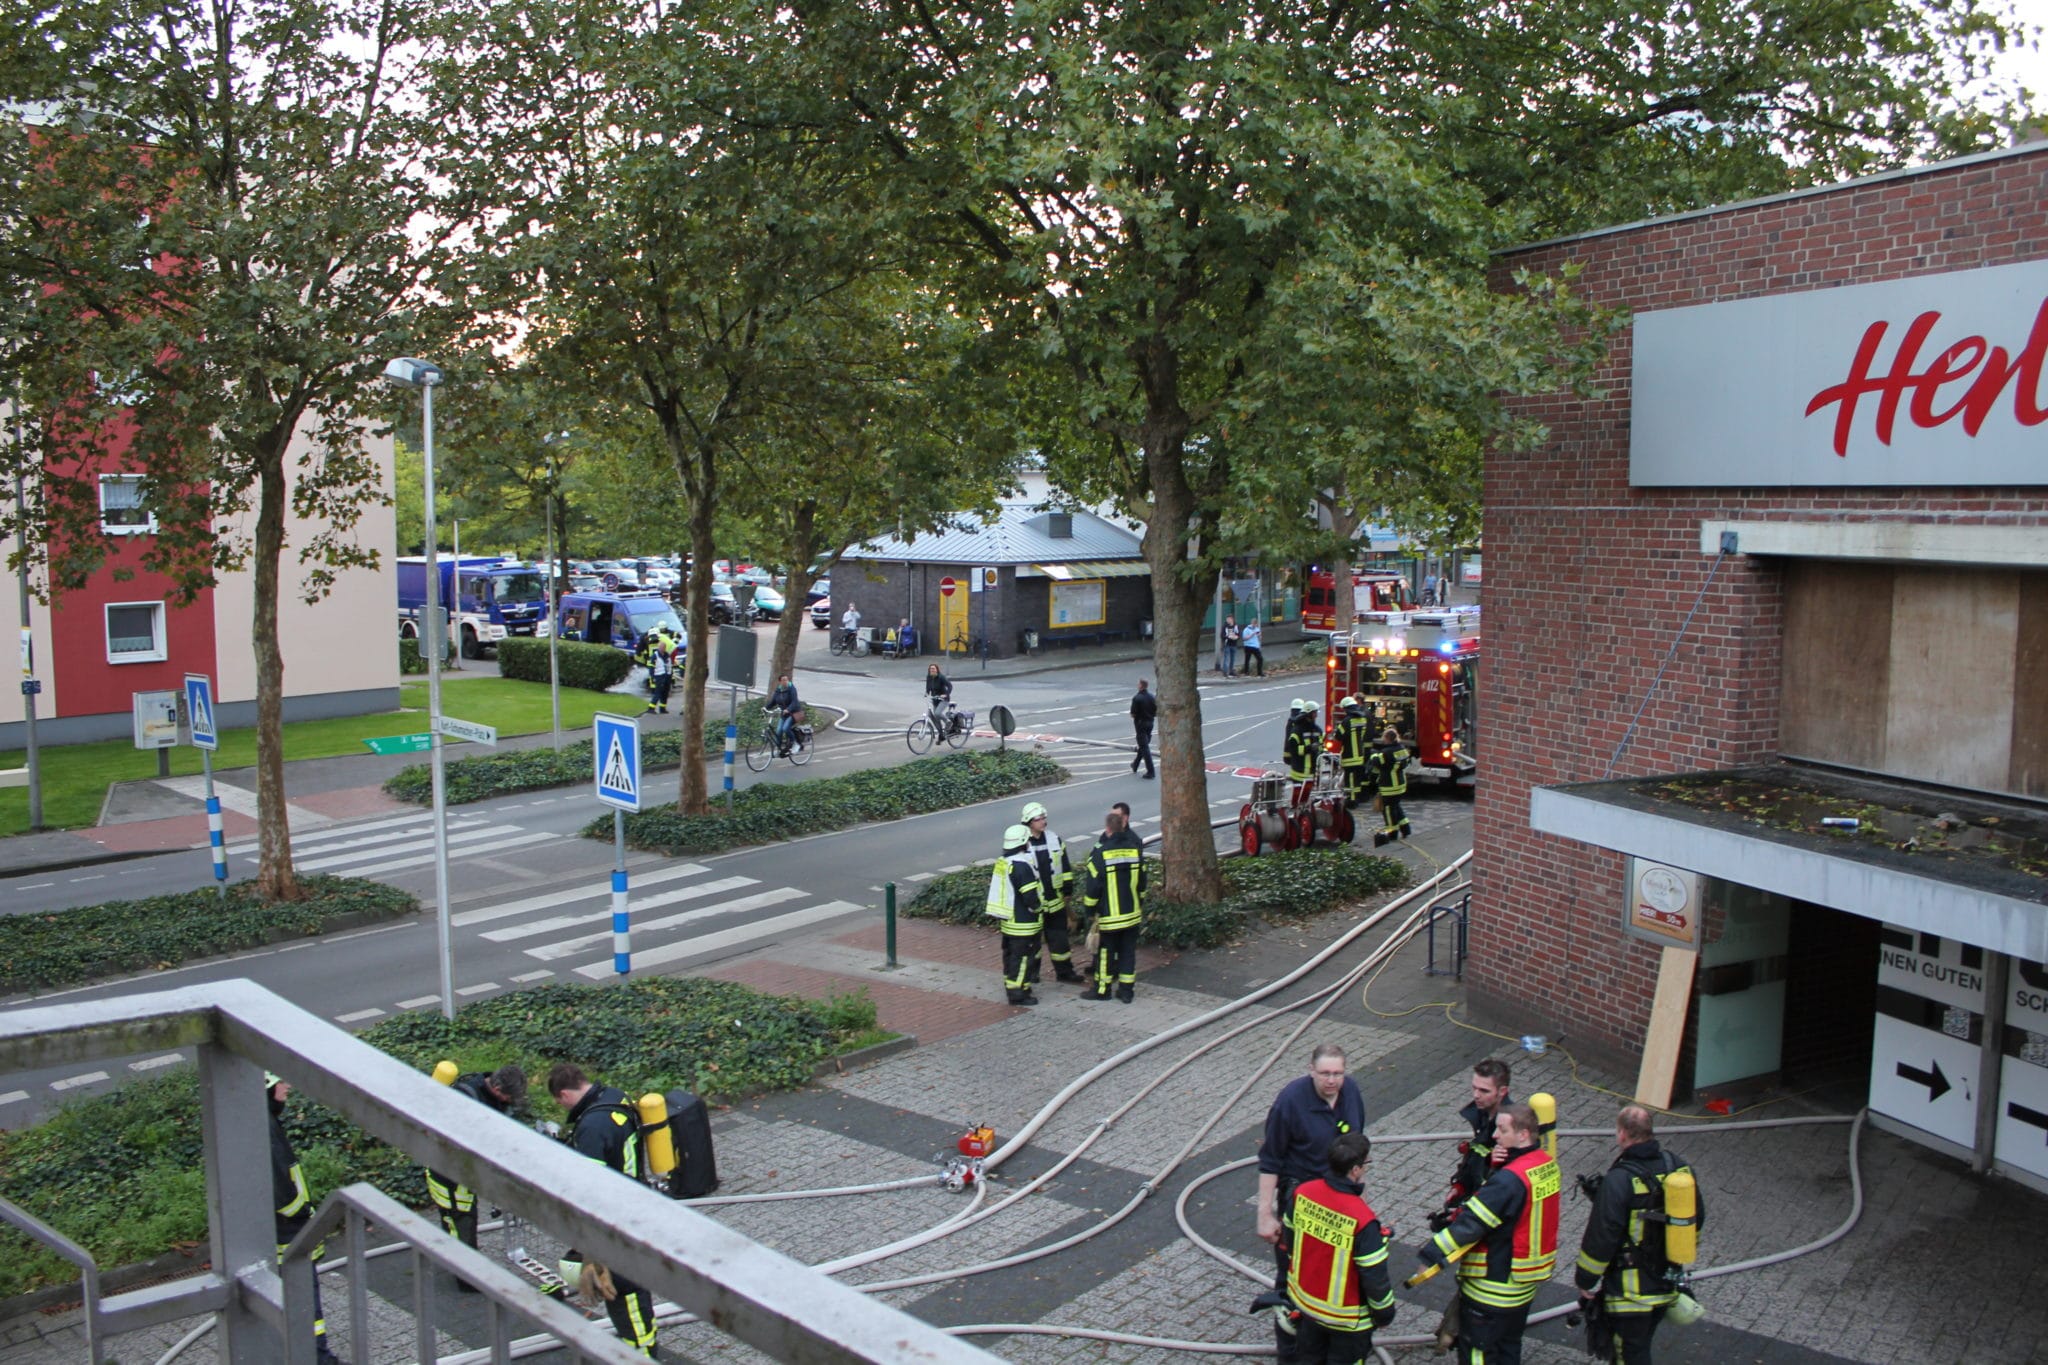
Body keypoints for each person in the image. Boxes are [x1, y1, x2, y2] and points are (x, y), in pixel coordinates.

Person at [1417, 1102, 1560, 1365]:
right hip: (1523, 1287)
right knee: (1508, 1349)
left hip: (1491, 1289)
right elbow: (1516, 1209)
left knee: (1478, 1355)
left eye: (1502, 1130)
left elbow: (1472, 1223)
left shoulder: (1509, 1180)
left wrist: (1431, 1254)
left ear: (1523, 1135)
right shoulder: (1546, 1165)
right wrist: (1499, 1167)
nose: (1495, 1135)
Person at [1256, 1044, 1367, 1365]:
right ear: (1311, 1070)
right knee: (1292, 1274)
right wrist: (1265, 1213)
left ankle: (1326, 1340)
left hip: (1340, 1199)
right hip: (1301, 1200)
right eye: (1325, 1074)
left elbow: (1357, 1148)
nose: (1332, 1081)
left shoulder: (1351, 1093)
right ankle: (1290, 1351)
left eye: (1338, 1073)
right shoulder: (1290, 1102)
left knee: (1334, 1273)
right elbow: (1270, 1160)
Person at [1574, 1106, 1705, 1364]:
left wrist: (1585, 1280)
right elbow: (1696, 1219)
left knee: (1629, 1355)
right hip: (1666, 1282)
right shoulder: (1679, 1167)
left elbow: (1602, 1236)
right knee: (1640, 1348)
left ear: (1622, 1134)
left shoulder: (1620, 1179)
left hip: (1630, 1293)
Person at [548, 1064, 659, 1357]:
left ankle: (642, 1355)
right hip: (635, 1205)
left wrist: (592, 1253)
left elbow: (590, 1192)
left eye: (559, 1102)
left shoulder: (592, 1127)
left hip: (615, 1220)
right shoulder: (614, 1097)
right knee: (635, 1289)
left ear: (563, 1094)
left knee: (624, 1294)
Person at [1281, 1131, 1397, 1364]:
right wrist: (1384, 1314)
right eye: (1366, 1165)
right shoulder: (1362, 1219)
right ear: (1355, 1170)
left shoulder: (1303, 1193)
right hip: (1347, 1320)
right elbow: (1374, 1278)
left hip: (1306, 1305)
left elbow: (1291, 1239)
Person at [268, 1074, 342, 1365]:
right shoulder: (265, 1128)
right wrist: (305, 1216)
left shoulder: (257, 1122)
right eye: (280, 1082)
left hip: (280, 1233)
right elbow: (283, 1192)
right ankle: (317, 1359)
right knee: (304, 1304)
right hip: (288, 1235)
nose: (287, 1086)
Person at [425, 1064, 528, 1263]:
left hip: (462, 1178)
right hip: (449, 1180)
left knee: (462, 1222)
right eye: (508, 1097)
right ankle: (464, 1272)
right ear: (497, 1089)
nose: (509, 1102)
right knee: (460, 1228)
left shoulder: (485, 1094)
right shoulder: (466, 1103)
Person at [1079, 807, 1145, 1001]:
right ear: (1122, 826)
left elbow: (1093, 889)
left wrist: (1090, 912)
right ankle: (1126, 992)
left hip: (1109, 917)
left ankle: (1102, 990)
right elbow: (1142, 883)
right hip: (1132, 914)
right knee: (1128, 953)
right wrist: (1139, 903)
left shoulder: (1101, 854)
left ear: (1108, 829)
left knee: (1105, 954)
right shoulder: (1134, 850)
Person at [1441, 1060, 1512, 1221]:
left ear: (1502, 1091)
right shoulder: (1482, 1114)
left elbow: (1503, 1188)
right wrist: (1460, 1186)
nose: (1476, 1095)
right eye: (1474, 1088)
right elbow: (1476, 1157)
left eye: (1484, 1090)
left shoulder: (1510, 1130)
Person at [986, 821, 1046, 1005]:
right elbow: (1030, 896)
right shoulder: (1022, 866)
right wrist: (1040, 908)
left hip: (1009, 921)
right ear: (1023, 842)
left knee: (1011, 957)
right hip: (1024, 923)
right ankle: (1018, 994)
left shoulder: (1005, 862)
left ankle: (1015, 986)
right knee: (1023, 959)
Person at [1022, 800, 1081, 984]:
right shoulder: (1021, 842)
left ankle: (1065, 972)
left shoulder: (1054, 839)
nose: (1043, 822)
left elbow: (1064, 866)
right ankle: (1031, 974)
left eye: (1044, 818)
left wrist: (1068, 889)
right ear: (1029, 822)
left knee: (1060, 940)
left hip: (1055, 900)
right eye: (1039, 819)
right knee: (1032, 942)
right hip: (1034, 903)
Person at [1370, 727, 1412, 845]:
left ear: (1388, 738)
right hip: (1400, 784)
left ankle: (1392, 832)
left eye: (1384, 738)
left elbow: (1377, 762)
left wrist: (1373, 755)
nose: (1383, 740)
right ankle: (1406, 828)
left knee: (1388, 810)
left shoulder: (1386, 752)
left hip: (1389, 786)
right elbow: (1406, 763)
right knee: (1396, 806)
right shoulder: (1402, 749)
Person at [1337, 696, 1373, 808]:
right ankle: (1356, 797)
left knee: (1350, 779)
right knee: (1357, 779)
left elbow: (1338, 736)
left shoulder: (1346, 721)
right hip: (1360, 754)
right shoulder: (1362, 719)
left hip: (1349, 755)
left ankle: (1352, 801)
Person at [1284, 699, 1321, 796]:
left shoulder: (1317, 730)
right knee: (1298, 798)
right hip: (1299, 772)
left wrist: (1325, 753)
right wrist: (1309, 748)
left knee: (1309, 798)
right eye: (1315, 713)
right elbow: (1293, 750)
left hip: (1312, 772)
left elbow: (1321, 746)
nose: (1316, 715)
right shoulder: (1297, 730)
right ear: (1309, 714)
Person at [637, 626, 675, 714]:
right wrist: (653, 677)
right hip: (658, 676)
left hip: (666, 676)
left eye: (664, 647)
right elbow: (651, 667)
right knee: (657, 693)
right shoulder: (655, 656)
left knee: (665, 693)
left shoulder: (667, 656)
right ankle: (651, 708)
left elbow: (669, 667)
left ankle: (662, 708)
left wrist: (671, 677)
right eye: (662, 647)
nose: (663, 649)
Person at [766, 673, 802, 754]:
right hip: (784, 714)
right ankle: (779, 749)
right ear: (780, 682)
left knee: (785, 728)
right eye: (783, 680)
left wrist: (788, 709)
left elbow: (794, 702)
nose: (785, 681)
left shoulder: (792, 689)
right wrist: (765, 708)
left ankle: (795, 744)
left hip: (793, 713)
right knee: (779, 731)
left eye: (786, 680)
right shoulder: (778, 690)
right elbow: (773, 702)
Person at [1129, 678, 1157, 779]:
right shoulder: (1152, 697)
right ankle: (1135, 764)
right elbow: (1156, 711)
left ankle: (1151, 771)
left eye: (1138, 683)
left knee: (1145, 748)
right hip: (1150, 723)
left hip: (1141, 725)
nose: (1137, 685)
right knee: (1143, 745)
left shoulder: (1137, 698)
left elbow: (1133, 714)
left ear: (1141, 685)